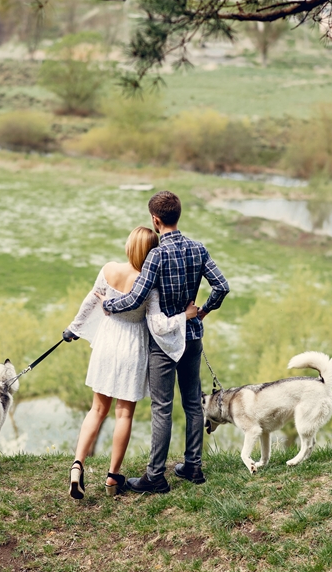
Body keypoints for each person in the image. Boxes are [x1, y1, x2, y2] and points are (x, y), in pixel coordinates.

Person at [102, 191, 230, 494]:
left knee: (162, 407)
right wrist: (201, 313)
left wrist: (109, 305)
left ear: (155, 220)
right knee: (192, 402)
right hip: (192, 337)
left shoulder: (157, 255)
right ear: (178, 216)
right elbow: (222, 286)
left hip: (163, 343)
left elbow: (136, 297)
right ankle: (193, 467)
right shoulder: (198, 249)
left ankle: (156, 476)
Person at [62, 226, 198, 499]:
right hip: (133, 347)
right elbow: (159, 326)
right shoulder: (149, 284)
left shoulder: (109, 269)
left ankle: (78, 465)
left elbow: (91, 300)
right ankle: (113, 478)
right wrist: (187, 315)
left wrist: (73, 328)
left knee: (97, 410)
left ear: (128, 246)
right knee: (124, 413)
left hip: (106, 343)